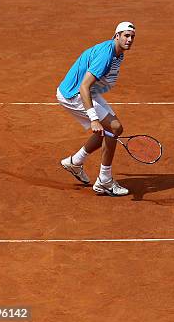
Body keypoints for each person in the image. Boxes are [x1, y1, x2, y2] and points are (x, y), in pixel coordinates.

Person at [56, 22, 136, 196]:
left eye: (132, 37)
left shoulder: (117, 52)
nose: (129, 39)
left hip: (85, 91)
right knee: (114, 127)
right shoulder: (106, 56)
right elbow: (84, 86)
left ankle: (75, 162)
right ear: (116, 36)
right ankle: (104, 182)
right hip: (74, 93)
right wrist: (93, 118)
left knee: (108, 130)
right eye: (126, 35)